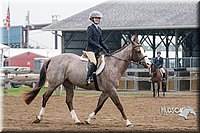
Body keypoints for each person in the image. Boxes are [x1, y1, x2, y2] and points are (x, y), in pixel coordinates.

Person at [84, 11, 110, 85]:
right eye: (96, 18)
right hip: (90, 50)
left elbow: (101, 41)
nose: (98, 20)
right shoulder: (90, 28)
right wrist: (98, 46)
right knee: (94, 62)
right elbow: (89, 40)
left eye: (99, 18)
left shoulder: (99, 29)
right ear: (92, 19)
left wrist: (106, 48)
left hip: (96, 50)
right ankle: (88, 78)